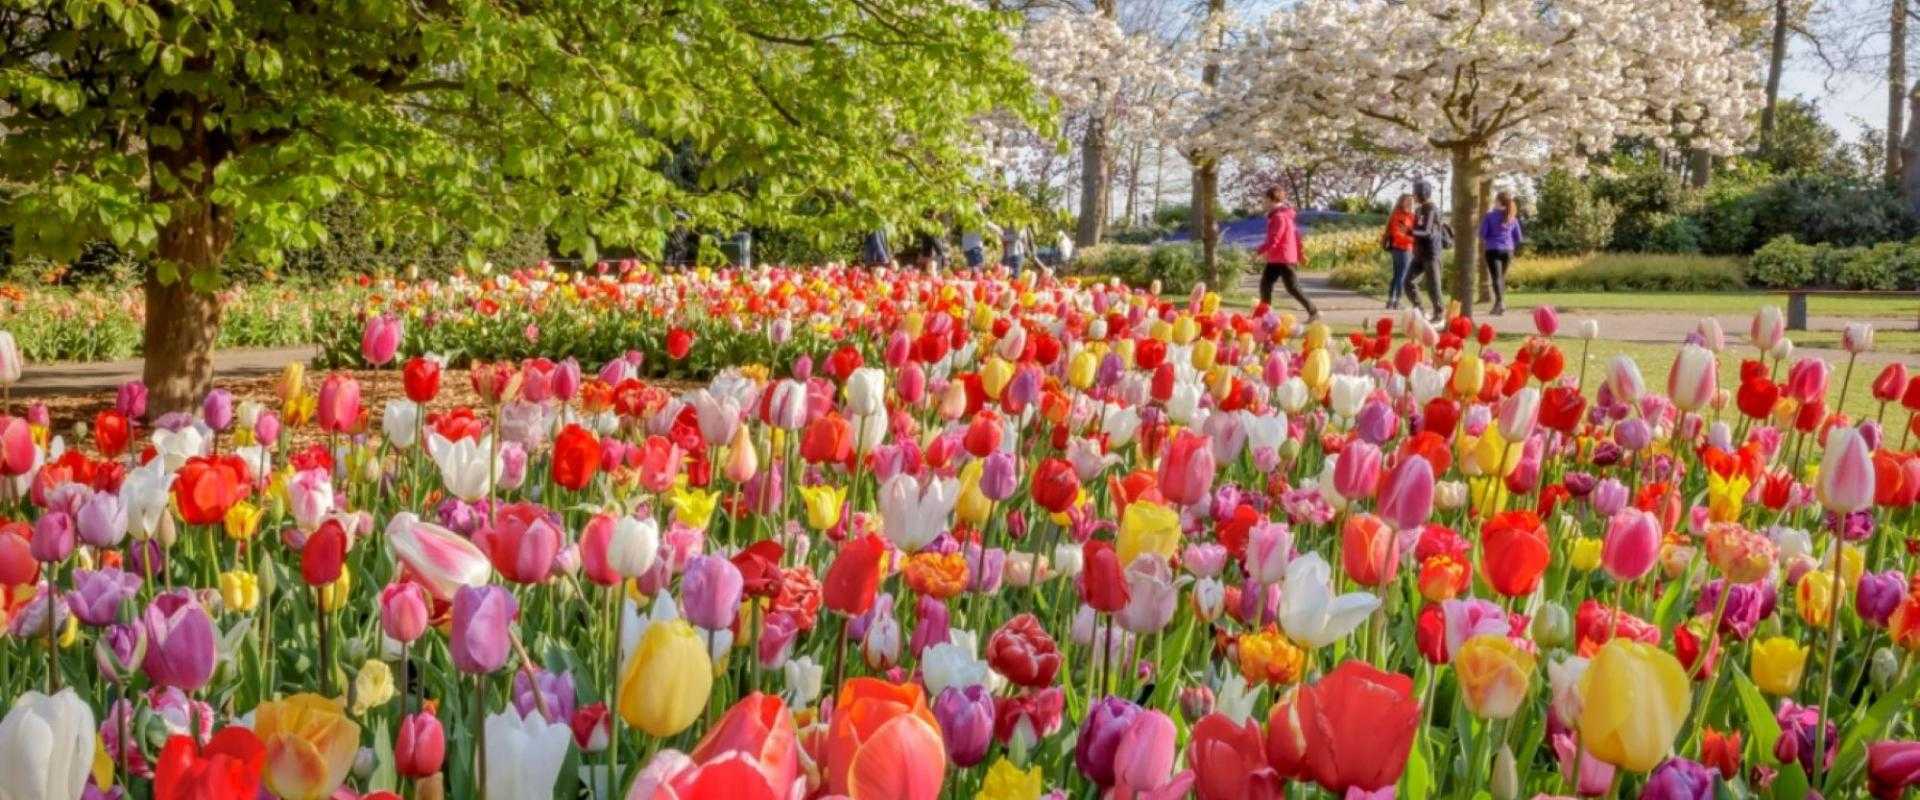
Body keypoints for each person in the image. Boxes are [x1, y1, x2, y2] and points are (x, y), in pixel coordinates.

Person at [1255, 186, 1318, 320]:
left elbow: (1274, 239)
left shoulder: (1279, 217)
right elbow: (1296, 236)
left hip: (1283, 258)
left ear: (1271, 199)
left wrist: (1259, 251)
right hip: (1278, 258)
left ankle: (1314, 312)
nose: (1263, 202)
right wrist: (1300, 255)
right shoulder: (1284, 215)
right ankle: (1265, 315)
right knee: (1266, 285)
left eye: (1264, 200)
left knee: (1292, 287)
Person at [1406, 179, 1446, 322]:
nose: (1414, 196)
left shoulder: (1432, 209)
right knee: (1408, 282)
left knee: (1433, 285)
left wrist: (1410, 232)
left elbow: (1428, 231)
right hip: (1419, 253)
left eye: (1415, 193)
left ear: (1422, 194)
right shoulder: (1418, 210)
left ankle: (1439, 313)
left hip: (1431, 253)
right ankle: (1420, 311)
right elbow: (1418, 230)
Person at [1479, 190, 1524, 315]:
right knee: (1501, 278)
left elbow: (1482, 234)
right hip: (1508, 251)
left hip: (1493, 249)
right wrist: (1510, 245)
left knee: (1496, 278)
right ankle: (1498, 305)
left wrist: (1490, 238)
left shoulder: (1489, 216)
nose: (1494, 201)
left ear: (1499, 201)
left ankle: (1500, 304)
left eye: (1495, 199)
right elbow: (1518, 237)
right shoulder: (1512, 217)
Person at [1381, 194, 1416, 310]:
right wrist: (1414, 240)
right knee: (1402, 275)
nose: (1410, 203)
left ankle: (1391, 300)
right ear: (1401, 202)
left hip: (1404, 248)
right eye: (1408, 201)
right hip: (1402, 248)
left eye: (1411, 201)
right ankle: (1397, 300)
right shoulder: (1399, 216)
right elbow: (1398, 235)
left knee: (1397, 275)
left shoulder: (1411, 216)